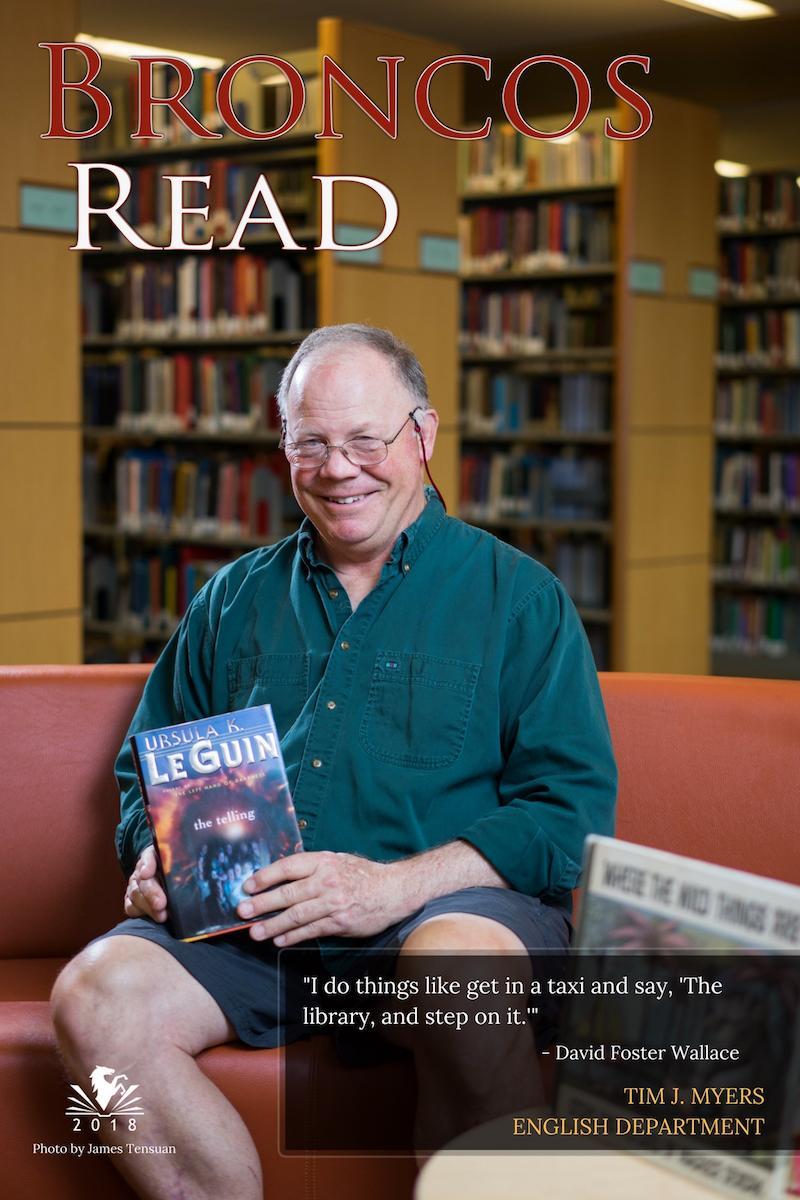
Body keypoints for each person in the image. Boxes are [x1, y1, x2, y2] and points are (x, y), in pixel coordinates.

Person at [50, 323, 617, 1199]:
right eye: (311, 443)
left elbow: (568, 812)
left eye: (365, 440)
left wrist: (390, 888)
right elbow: (147, 763)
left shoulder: (521, 598)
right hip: (258, 930)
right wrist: (150, 855)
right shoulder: (232, 598)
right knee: (95, 994)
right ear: (283, 448)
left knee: (456, 971)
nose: (339, 468)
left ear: (422, 437)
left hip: (444, 920)